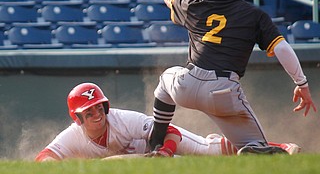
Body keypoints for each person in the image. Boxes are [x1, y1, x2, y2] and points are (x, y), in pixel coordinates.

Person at [148, 0, 317, 155]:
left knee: (166, 80)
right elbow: (282, 48)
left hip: (187, 84)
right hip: (224, 93)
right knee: (259, 148)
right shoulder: (254, 15)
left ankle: (156, 143)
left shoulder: (196, 7)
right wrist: (301, 83)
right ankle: (253, 148)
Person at [35, 82, 299, 161]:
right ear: (78, 118)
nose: (96, 114)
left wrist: (164, 151)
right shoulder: (74, 135)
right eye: (89, 111)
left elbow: (168, 129)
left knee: (209, 150)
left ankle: (280, 147)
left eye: (98, 107)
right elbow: (45, 157)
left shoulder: (122, 119)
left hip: (162, 145)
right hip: (146, 160)